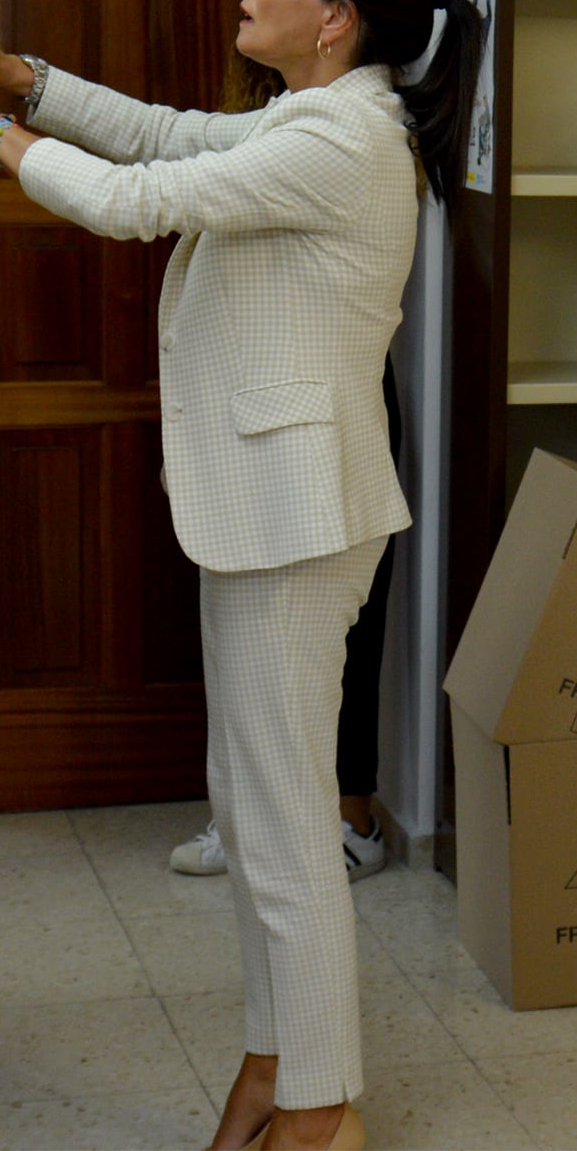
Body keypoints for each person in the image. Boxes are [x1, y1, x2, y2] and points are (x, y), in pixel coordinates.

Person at [0, 0, 481, 1151]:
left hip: (297, 518)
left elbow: (136, 201)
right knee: (252, 802)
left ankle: (321, 1105)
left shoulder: (346, 138)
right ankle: (279, 1056)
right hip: (271, 510)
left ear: (334, 16)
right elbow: (168, 137)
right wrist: (28, 78)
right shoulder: (318, 113)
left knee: (282, 827)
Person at [174, 358, 401, 885]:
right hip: (240, 379)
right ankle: (251, 822)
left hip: (332, 378)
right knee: (244, 622)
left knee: (335, 617)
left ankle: (350, 819)